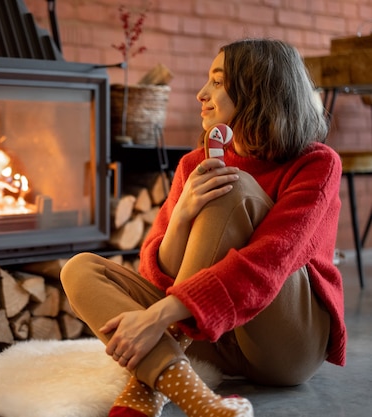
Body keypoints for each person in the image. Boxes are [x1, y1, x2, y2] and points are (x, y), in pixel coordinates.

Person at [60, 38, 346, 417]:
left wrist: (159, 317)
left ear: (257, 90)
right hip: (211, 337)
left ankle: (144, 388)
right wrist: (181, 216)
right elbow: (158, 276)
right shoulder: (194, 163)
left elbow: (268, 263)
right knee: (80, 268)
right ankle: (199, 399)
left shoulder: (317, 164)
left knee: (232, 186)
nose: (201, 94)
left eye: (217, 81)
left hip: (284, 345)